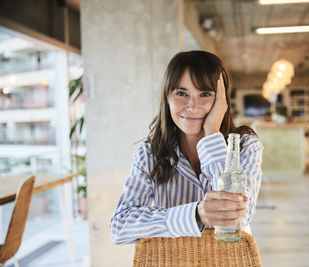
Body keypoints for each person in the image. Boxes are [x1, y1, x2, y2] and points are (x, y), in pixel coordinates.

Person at [110, 50, 263, 244]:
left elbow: (240, 216)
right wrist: (194, 215)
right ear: (167, 98)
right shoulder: (150, 152)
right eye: (181, 93)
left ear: (222, 101)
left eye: (205, 94)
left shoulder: (245, 146)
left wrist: (212, 136)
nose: (193, 106)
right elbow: (120, 227)